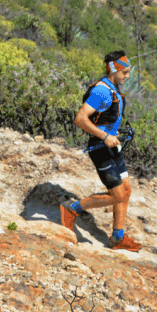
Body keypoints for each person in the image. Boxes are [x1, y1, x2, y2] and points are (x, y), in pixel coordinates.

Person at [60, 51, 141, 251]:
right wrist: (105, 136)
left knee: (126, 190)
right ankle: (72, 208)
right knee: (118, 195)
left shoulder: (113, 88)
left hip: (113, 148)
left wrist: (114, 134)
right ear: (114, 69)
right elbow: (80, 118)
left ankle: (117, 238)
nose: (127, 76)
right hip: (100, 149)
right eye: (125, 72)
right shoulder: (102, 91)